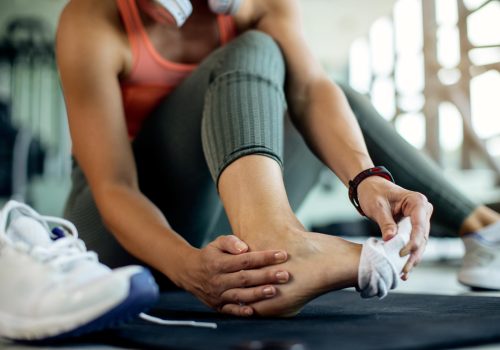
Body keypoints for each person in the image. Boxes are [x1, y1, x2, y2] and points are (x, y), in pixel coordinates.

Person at [56, 0, 500, 317]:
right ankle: (278, 239)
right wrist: (188, 270)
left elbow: (310, 90)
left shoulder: (262, 4)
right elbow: (114, 185)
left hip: (215, 218)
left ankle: (484, 232)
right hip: (119, 235)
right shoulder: (91, 18)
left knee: (331, 95)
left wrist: (367, 177)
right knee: (254, 49)